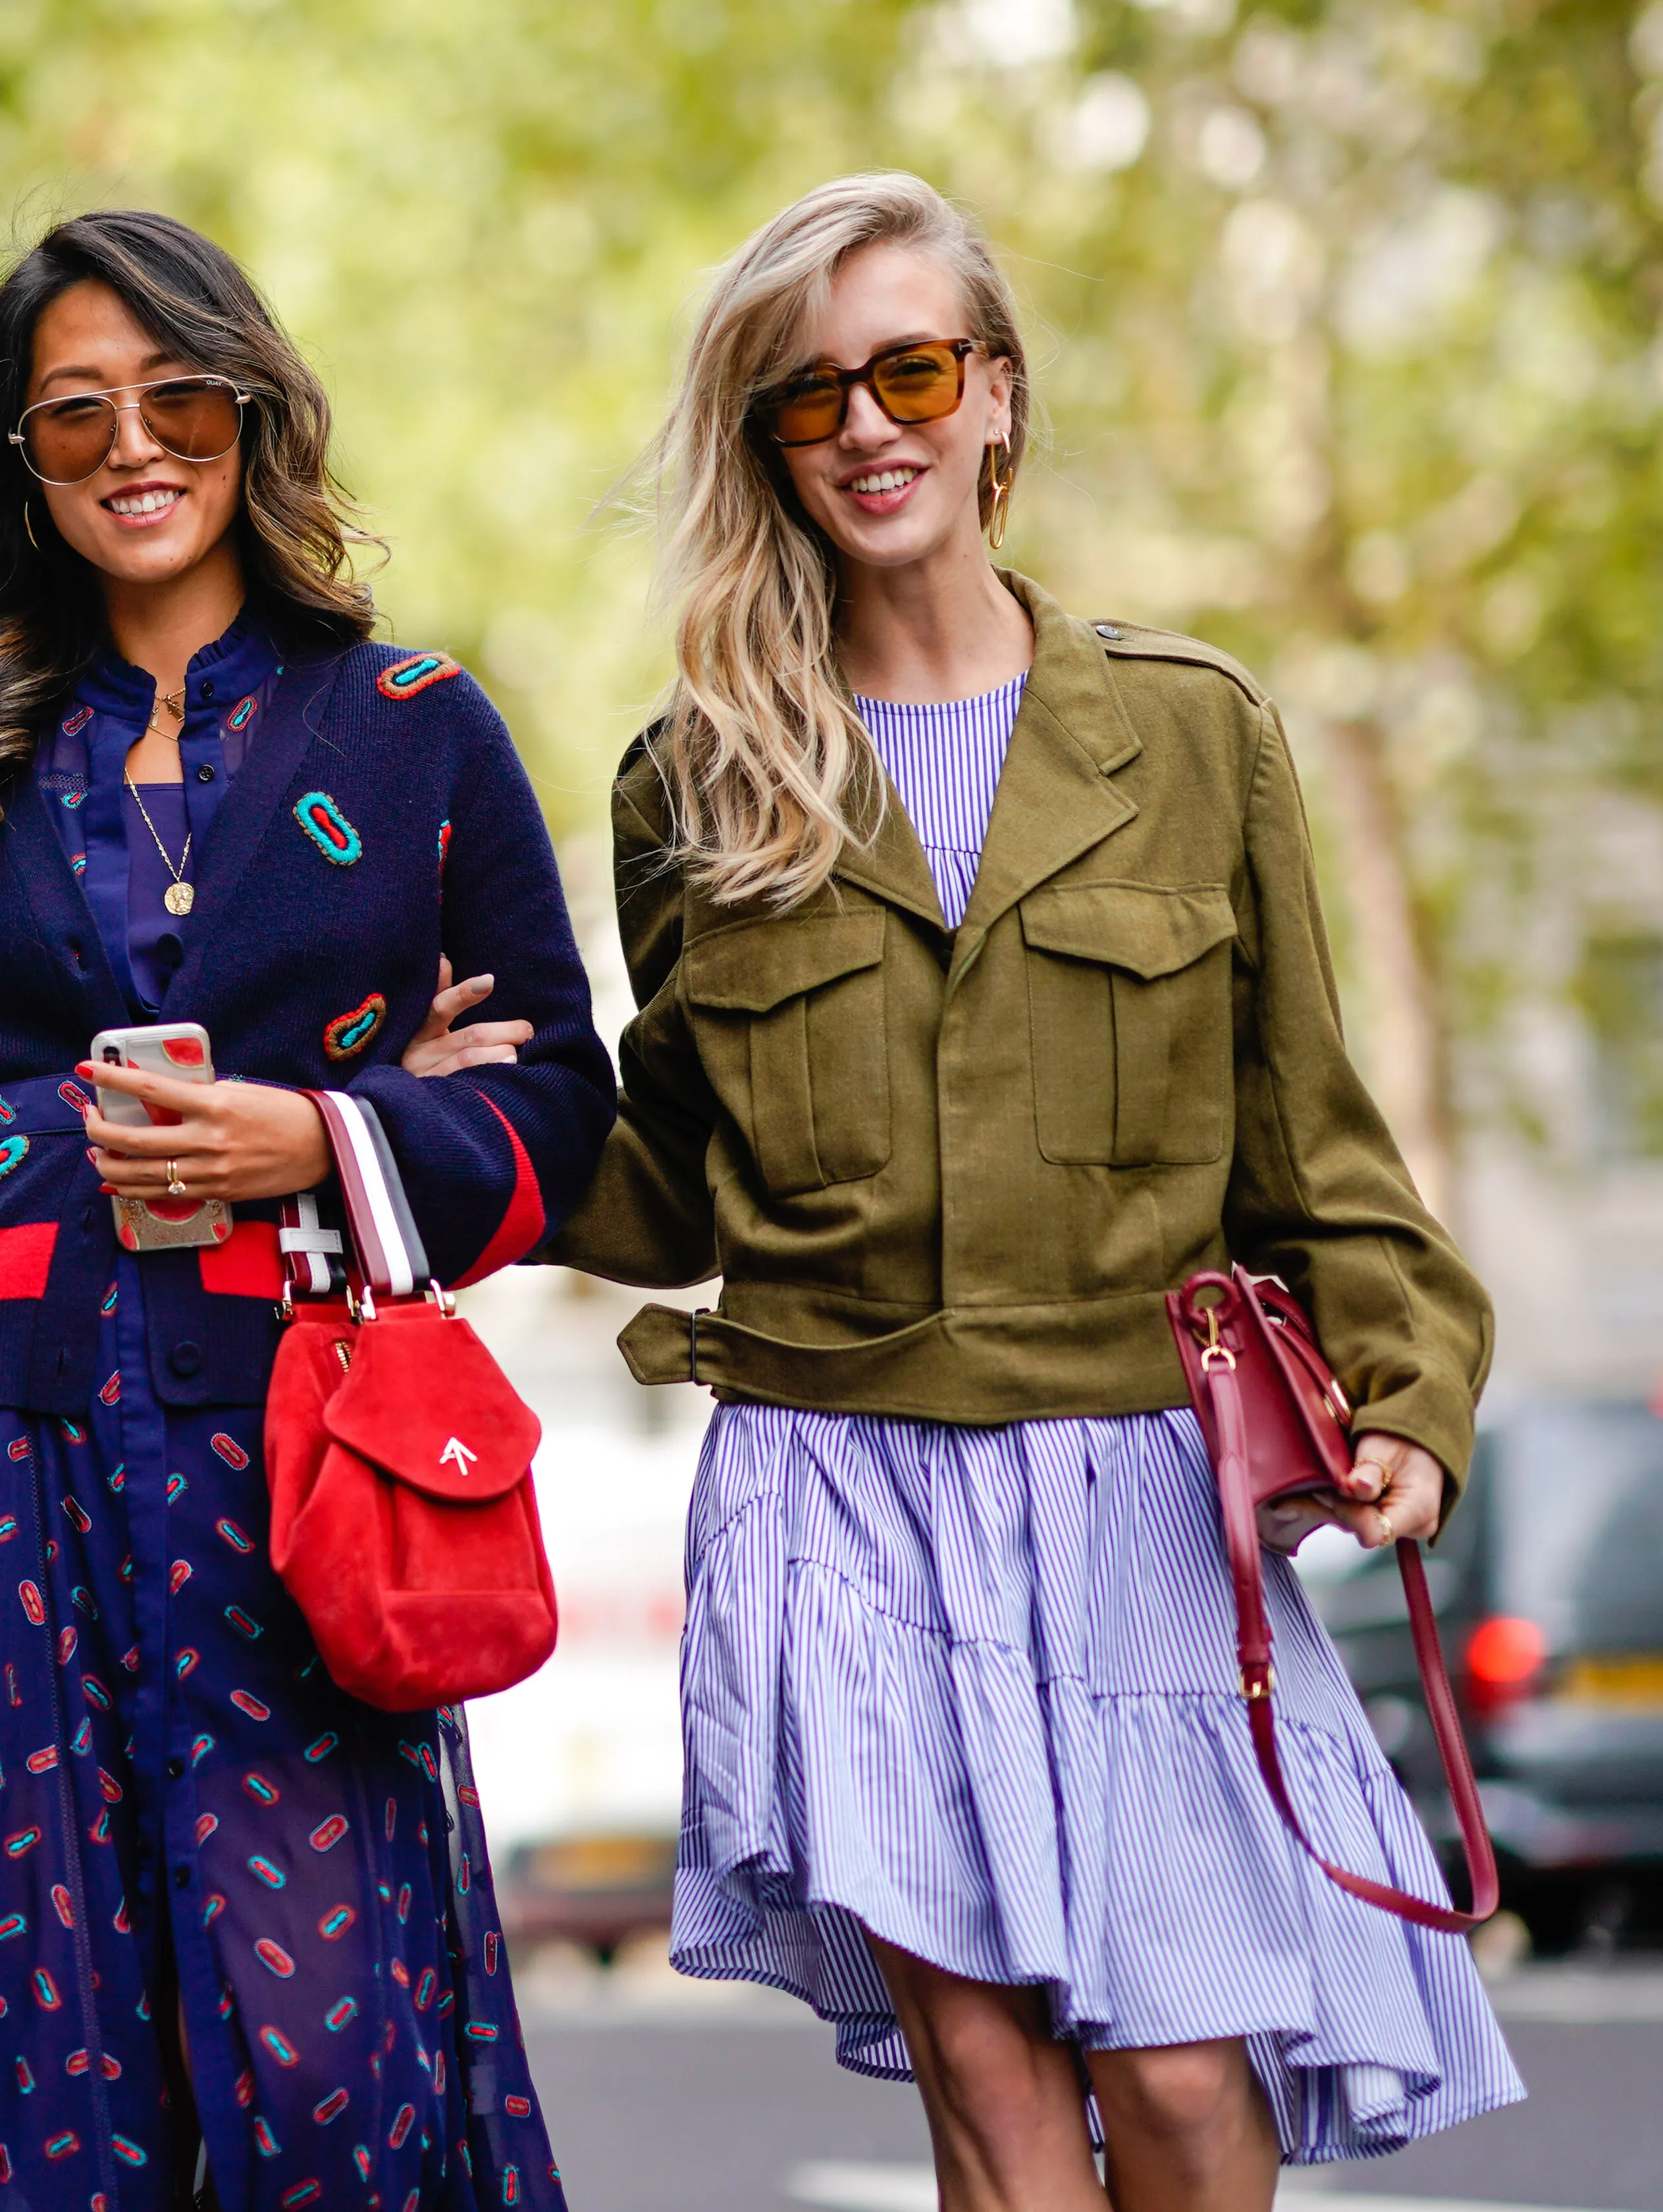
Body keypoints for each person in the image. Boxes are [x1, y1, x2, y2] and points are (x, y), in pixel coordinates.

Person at [546, 173, 1523, 2203]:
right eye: (808, 396)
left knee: (1174, 2082)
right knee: (985, 2092)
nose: (867, 426)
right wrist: (439, 1108)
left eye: (908, 368)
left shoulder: (1189, 732)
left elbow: (1312, 1146)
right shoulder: (698, 779)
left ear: (994, 396)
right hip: (838, 1476)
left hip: (1129, 1488)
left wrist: (1407, 1408)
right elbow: (665, 1173)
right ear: (766, 442)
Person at [0, 209, 614, 2212]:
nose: (130, 447)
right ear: (16, 454)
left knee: (322, 2056)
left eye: (177, 399)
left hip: (287, 1447)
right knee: (5, 2050)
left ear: (251, 416)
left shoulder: (412, 723)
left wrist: (322, 1133)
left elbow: (560, 1108)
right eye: (73, 414)